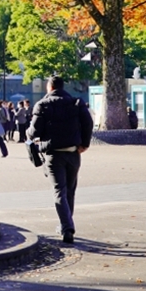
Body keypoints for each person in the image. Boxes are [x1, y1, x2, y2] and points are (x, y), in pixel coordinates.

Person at [27, 76, 94, 244]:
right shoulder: (76, 103)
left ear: (49, 88)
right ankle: (66, 224)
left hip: (53, 153)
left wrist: (30, 134)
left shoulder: (43, 105)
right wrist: (84, 143)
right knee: (70, 191)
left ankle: (67, 227)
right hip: (73, 152)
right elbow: (88, 123)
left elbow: (34, 132)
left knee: (59, 191)